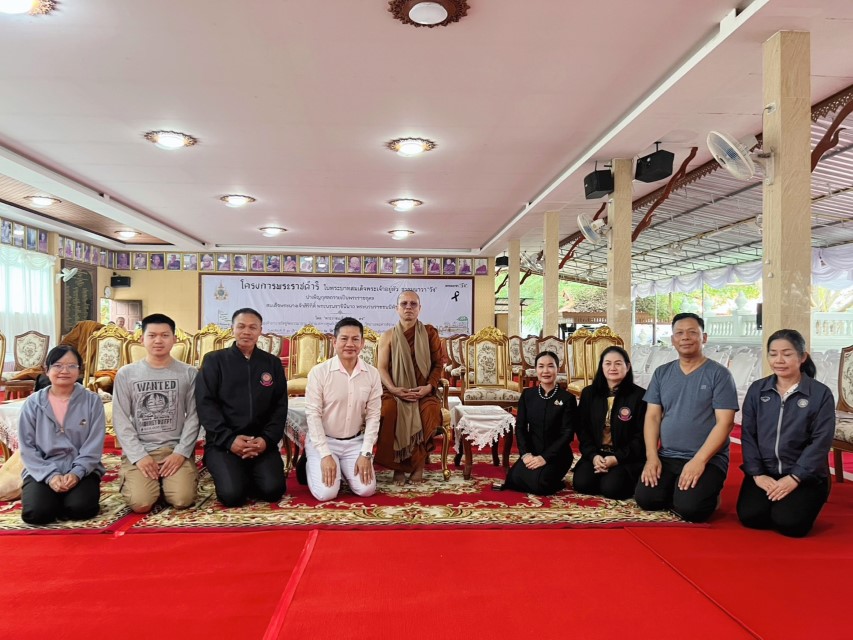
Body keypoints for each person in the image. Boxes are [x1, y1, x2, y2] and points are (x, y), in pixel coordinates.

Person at [635, 313, 738, 522]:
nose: (685, 337)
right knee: (646, 499)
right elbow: (653, 417)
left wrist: (699, 461)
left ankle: (706, 492)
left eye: (692, 332)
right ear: (673, 339)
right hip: (668, 455)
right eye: (679, 333)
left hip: (707, 458)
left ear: (704, 337)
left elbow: (725, 423)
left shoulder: (719, 374)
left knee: (692, 510)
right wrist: (652, 457)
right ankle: (679, 490)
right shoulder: (662, 373)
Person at [736, 329, 835, 537]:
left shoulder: (820, 393)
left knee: (790, 523)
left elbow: (821, 441)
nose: (779, 360)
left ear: (802, 357)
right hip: (766, 472)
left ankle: (810, 495)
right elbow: (748, 434)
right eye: (773, 354)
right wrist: (757, 474)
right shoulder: (758, 390)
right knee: (751, 517)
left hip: (804, 475)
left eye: (787, 354)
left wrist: (795, 477)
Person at [196, 308, 288, 507]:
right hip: (224, 444)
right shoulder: (214, 360)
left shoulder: (272, 363)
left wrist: (266, 440)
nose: (247, 332)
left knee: (273, 491)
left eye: (253, 327)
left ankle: (247, 473)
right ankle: (236, 474)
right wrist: (229, 440)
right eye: (241, 326)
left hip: (260, 443)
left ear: (260, 331)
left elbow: (280, 407)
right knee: (232, 496)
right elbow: (205, 404)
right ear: (232, 329)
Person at [112, 314, 200, 513]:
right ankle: (148, 483)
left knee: (182, 500)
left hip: (174, 449)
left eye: (165, 335)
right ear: (141, 339)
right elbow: (121, 419)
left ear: (174, 339)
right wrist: (139, 456)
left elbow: (194, 416)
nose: (158, 340)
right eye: (152, 335)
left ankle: (167, 483)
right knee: (141, 504)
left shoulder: (189, 373)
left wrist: (181, 453)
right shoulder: (126, 374)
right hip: (142, 450)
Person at [17, 346, 106, 525]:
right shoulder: (33, 403)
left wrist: (76, 473)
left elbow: (94, 445)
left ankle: (67, 498)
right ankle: (50, 498)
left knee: (80, 509)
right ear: (47, 369)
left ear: (79, 370)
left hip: (82, 469)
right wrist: (50, 476)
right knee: (36, 514)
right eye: (57, 365)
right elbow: (27, 447)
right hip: (43, 469)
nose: (64, 371)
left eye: (71, 366)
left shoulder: (92, 401)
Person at [304, 317, 382, 501]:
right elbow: (313, 415)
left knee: (366, 490)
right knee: (326, 493)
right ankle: (310, 463)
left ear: (362, 343)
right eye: (344, 339)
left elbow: (373, 416)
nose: (350, 344)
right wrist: (325, 455)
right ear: (334, 341)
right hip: (324, 441)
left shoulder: (372, 374)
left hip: (354, 443)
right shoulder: (319, 372)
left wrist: (366, 453)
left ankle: (344, 469)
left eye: (355, 339)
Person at [375, 290, 444, 484]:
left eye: (413, 304)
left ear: (419, 309)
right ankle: (398, 466)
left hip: (424, 391)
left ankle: (418, 465)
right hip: (395, 391)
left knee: (429, 412)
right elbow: (381, 368)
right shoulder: (387, 336)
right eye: (404, 304)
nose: (408, 307)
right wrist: (394, 389)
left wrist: (428, 388)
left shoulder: (430, 333)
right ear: (397, 308)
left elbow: (438, 364)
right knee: (389, 411)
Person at [573, 346, 646, 499]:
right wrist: (593, 456)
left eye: (618, 363)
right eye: (608, 363)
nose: (612, 368)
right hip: (597, 453)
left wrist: (616, 458)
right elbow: (582, 429)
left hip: (625, 457)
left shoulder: (640, 396)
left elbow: (641, 436)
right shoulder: (589, 393)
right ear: (602, 366)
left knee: (612, 489)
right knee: (582, 484)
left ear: (627, 366)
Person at [503, 351, 577, 496]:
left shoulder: (567, 398)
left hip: (557, 455)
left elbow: (567, 434)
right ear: (536, 369)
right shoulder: (527, 395)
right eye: (541, 366)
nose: (545, 371)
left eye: (550, 366)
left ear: (557, 369)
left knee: (540, 485)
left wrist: (545, 458)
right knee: (512, 479)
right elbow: (520, 427)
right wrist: (525, 454)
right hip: (532, 452)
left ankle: (554, 481)